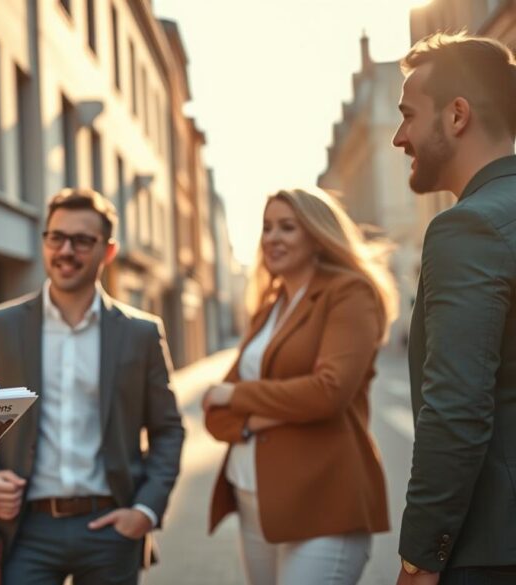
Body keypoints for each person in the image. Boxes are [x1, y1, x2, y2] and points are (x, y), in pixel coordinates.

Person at [0, 188, 185, 585]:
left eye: (82, 240)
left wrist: (146, 511)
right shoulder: (2, 326)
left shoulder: (141, 333)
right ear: (45, 241)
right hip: (23, 531)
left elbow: (168, 430)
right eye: (56, 237)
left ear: (108, 251)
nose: (66, 250)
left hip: (112, 530)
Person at [202, 187, 397, 585]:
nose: (272, 238)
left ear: (316, 234)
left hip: (322, 501)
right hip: (253, 499)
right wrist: (250, 422)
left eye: (287, 228)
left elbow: (328, 393)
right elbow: (213, 410)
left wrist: (239, 396)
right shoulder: (269, 306)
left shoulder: (349, 293)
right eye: (267, 228)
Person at [392, 33, 516, 585]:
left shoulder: (466, 227)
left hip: (494, 549)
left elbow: (457, 409)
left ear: (457, 115)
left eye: (409, 116)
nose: (400, 137)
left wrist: (421, 557)